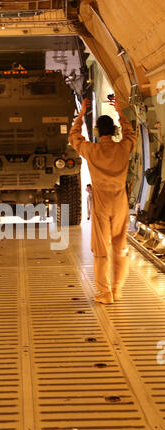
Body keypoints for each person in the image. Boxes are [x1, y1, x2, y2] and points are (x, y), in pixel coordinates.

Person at [69, 98, 136, 304]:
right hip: (120, 202)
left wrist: (80, 116)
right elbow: (131, 135)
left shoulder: (92, 150)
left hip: (102, 204)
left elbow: (74, 137)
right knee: (119, 247)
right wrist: (120, 113)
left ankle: (104, 292)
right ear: (114, 130)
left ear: (96, 131)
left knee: (101, 250)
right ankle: (116, 289)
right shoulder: (124, 148)